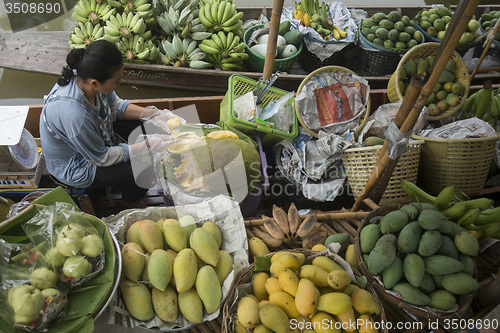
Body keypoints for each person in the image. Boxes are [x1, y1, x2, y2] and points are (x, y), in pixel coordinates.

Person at [40, 40, 176, 208]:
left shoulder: (87, 77)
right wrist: (146, 146)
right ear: (95, 83)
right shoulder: (74, 115)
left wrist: (154, 114)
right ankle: (129, 201)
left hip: (95, 136)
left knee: (150, 126)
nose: (120, 83)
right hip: (80, 164)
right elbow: (101, 157)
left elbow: (116, 107)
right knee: (148, 165)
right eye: (116, 81)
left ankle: (127, 178)